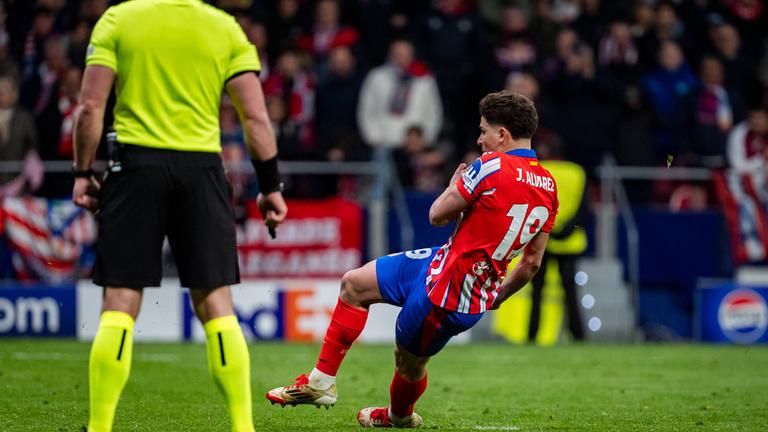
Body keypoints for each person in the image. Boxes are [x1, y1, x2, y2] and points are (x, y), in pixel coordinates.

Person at [267, 91, 558, 428]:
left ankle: (398, 417)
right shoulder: (549, 186)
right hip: (450, 268)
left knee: (408, 364)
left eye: (483, 131)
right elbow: (531, 263)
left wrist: (454, 187)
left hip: (446, 296)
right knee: (354, 283)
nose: (480, 140)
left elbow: (436, 215)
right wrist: (498, 296)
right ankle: (320, 383)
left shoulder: (491, 165)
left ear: (503, 135)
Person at [71, 1, 287, 431]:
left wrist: (82, 172)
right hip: (201, 171)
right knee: (216, 303)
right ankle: (243, 427)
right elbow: (256, 118)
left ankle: (99, 427)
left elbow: (90, 109)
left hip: (135, 167)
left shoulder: (119, 20)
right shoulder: (224, 28)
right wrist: (269, 187)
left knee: (119, 302)